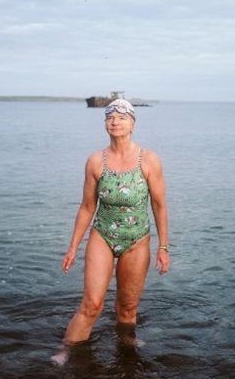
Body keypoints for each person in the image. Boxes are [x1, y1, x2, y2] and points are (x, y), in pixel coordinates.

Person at [53, 98, 170, 363]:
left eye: (121, 117)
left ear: (132, 124)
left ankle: (126, 347)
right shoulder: (95, 161)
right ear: (105, 124)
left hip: (137, 239)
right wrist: (72, 247)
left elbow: (160, 206)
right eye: (110, 117)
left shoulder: (149, 160)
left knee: (128, 308)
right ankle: (66, 350)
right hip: (102, 236)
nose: (115, 121)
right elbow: (86, 207)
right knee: (92, 304)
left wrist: (163, 247)